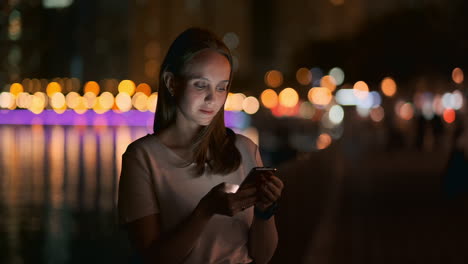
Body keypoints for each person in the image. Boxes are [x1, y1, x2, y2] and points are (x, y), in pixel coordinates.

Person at [117, 27, 284, 264]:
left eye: (221, 87)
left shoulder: (245, 150)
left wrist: (265, 210)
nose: (212, 98)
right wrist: (205, 210)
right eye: (200, 85)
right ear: (171, 83)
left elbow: (262, 256)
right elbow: (154, 257)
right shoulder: (142, 158)